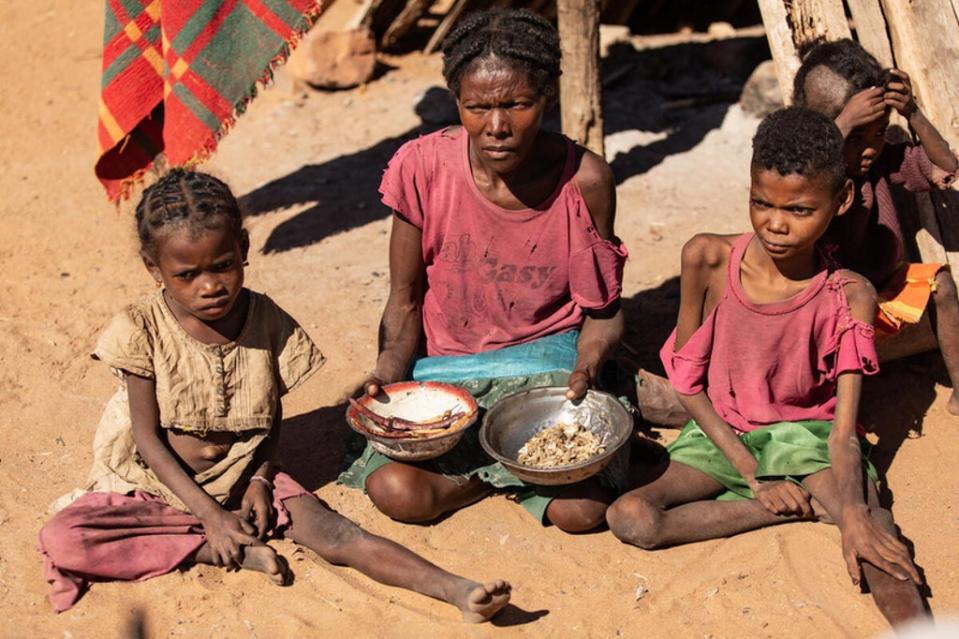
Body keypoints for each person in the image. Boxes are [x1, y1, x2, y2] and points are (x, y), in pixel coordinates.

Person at [37, 171, 511, 622]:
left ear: (243, 248)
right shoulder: (141, 328)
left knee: (337, 535)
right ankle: (211, 545)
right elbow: (146, 438)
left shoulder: (266, 320)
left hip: (243, 473)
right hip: (159, 481)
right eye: (187, 274)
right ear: (154, 268)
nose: (210, 286)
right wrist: (211, 517)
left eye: (222, 265)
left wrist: (262, 479)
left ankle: (455, 589)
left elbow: (269, 413)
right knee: (65, 539)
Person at [606, 108, 926, 626]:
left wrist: (858, 516)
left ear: (840, 201)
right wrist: (756, 478)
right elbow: (688, 384)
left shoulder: (849, 293)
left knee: (876, 534)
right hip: (721, 436)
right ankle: (803, 508)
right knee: (631, 516)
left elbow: (843, 432)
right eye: (761, 203)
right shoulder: (707, 259)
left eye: (799, 210)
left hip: (808, 441)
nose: (775, 224)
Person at [337, 8, 628, 532]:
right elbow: (404, 299)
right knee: (395, 491)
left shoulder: (584, 181)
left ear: (546, 98)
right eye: (477, 107)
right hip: (451, 380)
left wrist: (588, 367)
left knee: (581, 513)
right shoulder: (422, 167)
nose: (496, 127)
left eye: (517, 104)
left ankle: (500, 469)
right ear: (457, 102)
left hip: (544, 376)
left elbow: (604, 316)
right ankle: (505, 473)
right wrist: (385, 373)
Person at [793, 39, 959, 414]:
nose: (869, 149)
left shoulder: (883, 162)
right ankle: (831, 413)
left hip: (886, 287)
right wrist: (842, 125)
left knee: (943, 285)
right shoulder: (811, 175)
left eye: (879, 134)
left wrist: (912, 112)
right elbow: (799, 178)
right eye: (855, 138)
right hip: (829, 302)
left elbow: (947, 163)